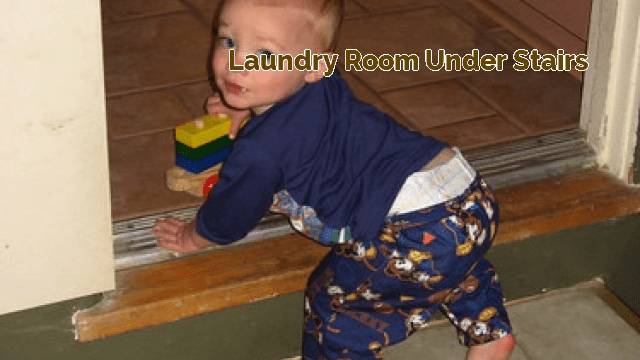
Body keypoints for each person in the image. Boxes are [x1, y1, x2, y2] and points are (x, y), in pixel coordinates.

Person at [152, 0, 516, 359]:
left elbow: (230, 214)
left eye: (264, 55)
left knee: (336, 308)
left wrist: (193, 236)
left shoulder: (259, 151)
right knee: (450, 261)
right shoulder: (322, 84)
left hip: (408, 228)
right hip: (468, 195)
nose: (236, 64)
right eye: (228, 41)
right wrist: (246, 106)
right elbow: (295, 118)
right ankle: (488, 332)